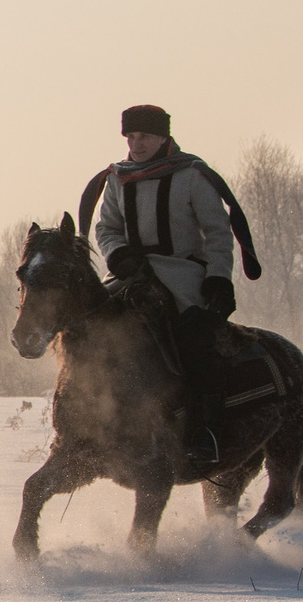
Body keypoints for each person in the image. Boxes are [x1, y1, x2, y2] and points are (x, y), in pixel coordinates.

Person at [81, 103, 263, 469]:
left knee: (194, 343)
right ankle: (87, 427)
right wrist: (117, 256)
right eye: (130, 137)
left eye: (144, 136)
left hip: (182, 276)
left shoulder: (192, 175)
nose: (136, 144)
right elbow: (107, 228)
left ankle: (205, 430)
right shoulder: (117, 178)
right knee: (91, 329)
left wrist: (218, 278)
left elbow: (216, 232)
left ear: (163, 136)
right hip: (129, 276)